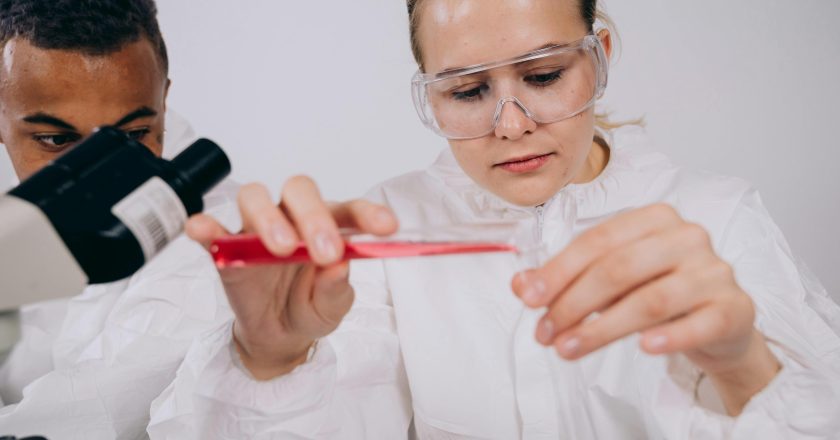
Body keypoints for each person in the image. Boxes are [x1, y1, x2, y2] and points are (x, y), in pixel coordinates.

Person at [149, 0, 840, 438]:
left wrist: (744, 369)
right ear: (429, 93)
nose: (511, 125)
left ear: (599, 59)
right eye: (468, 90)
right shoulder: (387, 230)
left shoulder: (716, 216)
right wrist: (269, 361)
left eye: (544, 76)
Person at [0, 1, 239, 438]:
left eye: (133, 135)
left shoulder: (213, 234)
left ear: (163, 99)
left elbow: (101, 415)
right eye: (55, 138)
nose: (98, 175)